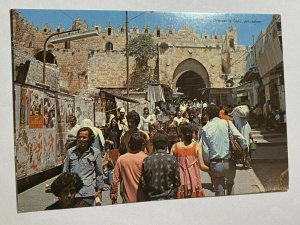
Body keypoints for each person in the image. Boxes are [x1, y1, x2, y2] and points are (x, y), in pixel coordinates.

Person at [201, 104, 248, 196]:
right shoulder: (227, 123)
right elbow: (241, 139)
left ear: (207, 114)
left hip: (215, 164)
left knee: (219, 191)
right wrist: (244, 151)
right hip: (229, 162)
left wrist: (208, 164)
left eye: (205, 114)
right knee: (230, 185)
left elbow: (205, 151)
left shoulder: (205, 128)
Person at [63, 127, 105, 206]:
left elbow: (99, 173)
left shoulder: (95, 153)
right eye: (79, 137)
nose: (81, 139)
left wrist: (99, 190)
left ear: (90, 139)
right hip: (72, 193)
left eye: (84, 137)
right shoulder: (70, 152)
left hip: (88, 193)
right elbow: (65, 172)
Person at [170, 123, 209, 199]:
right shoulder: (196, 146)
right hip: (194, 182)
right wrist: (212, 170)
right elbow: (202, 166)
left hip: (180, 182)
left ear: (181, 134)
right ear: (192, 134)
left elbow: (171, 167)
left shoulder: (175, 147)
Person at [140, 131, 180, 200]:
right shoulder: (172, 160)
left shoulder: (147, 160)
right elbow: (177, 182)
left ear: (154, 145)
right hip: (169, 198)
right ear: (166, 145)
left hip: (151, 199)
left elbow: (143, 183)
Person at [110, 132, 148, 204]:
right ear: (142, 145)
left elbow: (114, 181)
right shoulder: (147, 159)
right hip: (144, 201)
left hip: (128, 201)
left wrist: (113, 196)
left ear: (129, 145)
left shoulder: (121, 159)